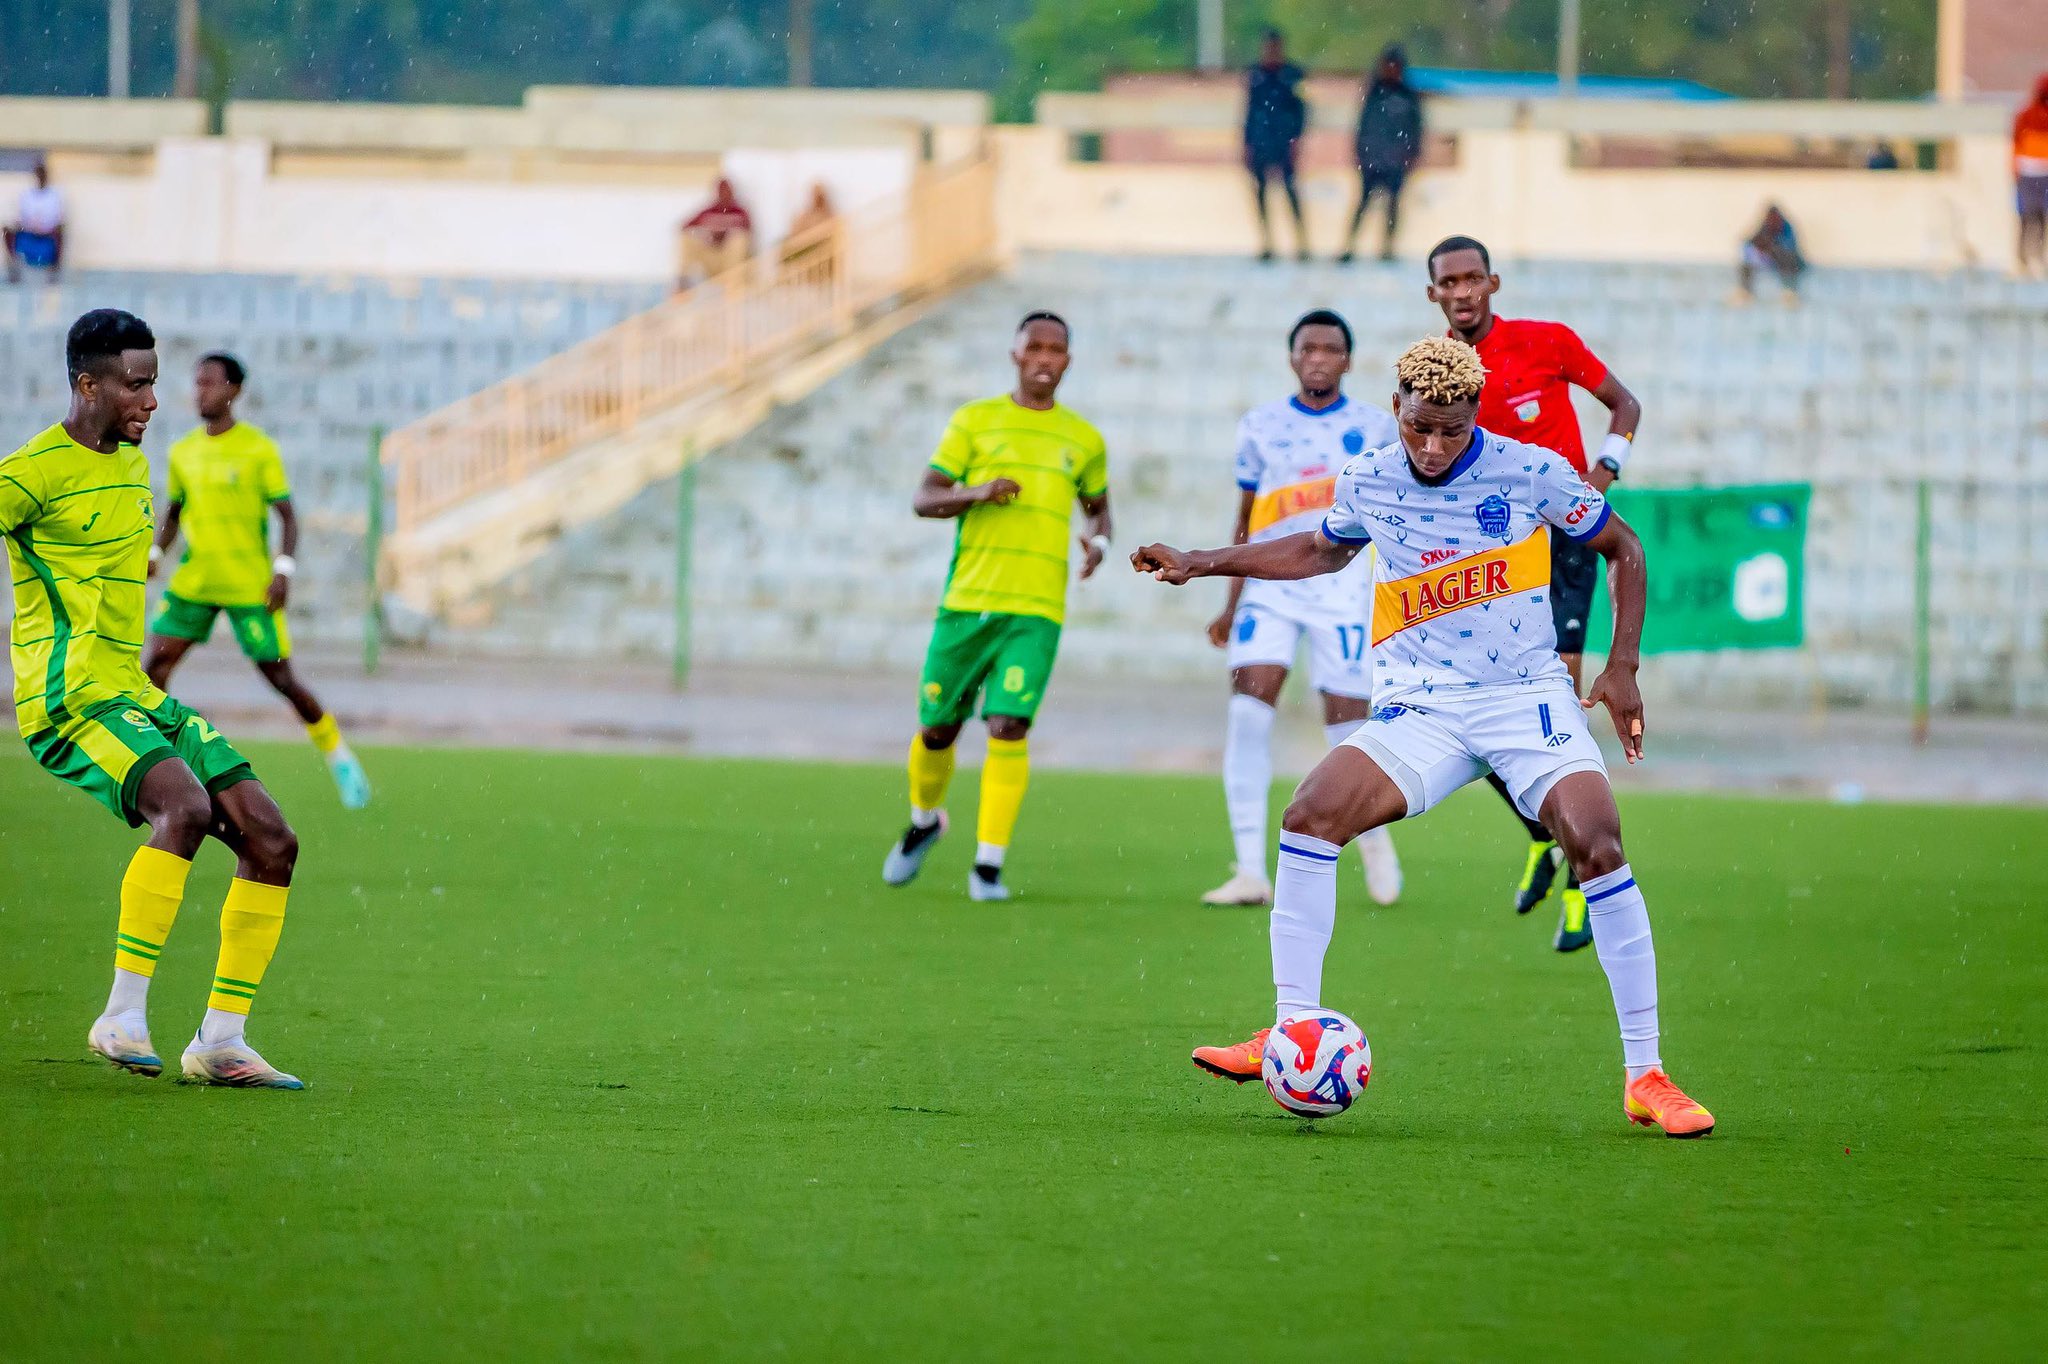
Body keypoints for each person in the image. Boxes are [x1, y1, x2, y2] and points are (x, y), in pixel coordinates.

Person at [1132, 336, 1714, 1139]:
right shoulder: (1369, 477)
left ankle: (1645, 1075)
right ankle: (1291, 1027)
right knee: (1310, 815)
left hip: (1523, 699)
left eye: (1450, 430)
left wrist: (1622, 665)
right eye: (1417, 428)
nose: (1433, 447)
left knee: (1598, 842)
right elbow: (1319, 549)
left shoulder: (1531, 469)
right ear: (1396, 410)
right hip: (1423, 706)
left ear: (1476, 413)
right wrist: (1200, 562)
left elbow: (1623, 547)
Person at [1, 309, 304, 1088]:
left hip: (132, 692)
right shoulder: (29, 474)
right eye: (136, 385)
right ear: (87, 385)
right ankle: (122, 1016)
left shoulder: (134, 465)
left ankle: (221, 1042)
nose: (153, 401)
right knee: (187, 809)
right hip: (68, 702)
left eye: (155, 383)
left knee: (272, 840)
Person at [1427, 234, 1642, 951]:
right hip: (1494, 558)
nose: (1461, 291)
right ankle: (1542, 836)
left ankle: (1581, 876)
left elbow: (1625, 404)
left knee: (1557, 712)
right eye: (1448, 282)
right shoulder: (1437, 373)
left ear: (1492, 283)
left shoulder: (1547, 342)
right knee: (1479, 716)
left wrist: (1603, 476)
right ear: (1433, 295)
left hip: (1566, 545)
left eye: (1471, 278)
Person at [881, 312, 1112, 901]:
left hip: (1036, 610)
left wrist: (1099, 544)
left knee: (1008, 725)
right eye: (1034, 347)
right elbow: (924, 498)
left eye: (1055, 349)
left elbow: (1099, 510)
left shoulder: (1084, 439)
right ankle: (925, 821)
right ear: (1015, 354)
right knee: (937, 729)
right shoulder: (974, 421)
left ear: (1068, 360)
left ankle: (988, 867)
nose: (1044, 358)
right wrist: (977, 492)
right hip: (967, 604)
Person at [1202, 309, 1401, 909]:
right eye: (1307, 348)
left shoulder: (1376, 427)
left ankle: (1373, 837)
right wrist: (1230, 601)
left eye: (1330, 349)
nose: (1317, 358)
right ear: (1291, 357)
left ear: (1348, 360)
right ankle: (1248, 870)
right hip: (1271, 587)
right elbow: (1245, 520)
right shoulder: (1260, 425)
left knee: (1347, 729)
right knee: (1247, 714)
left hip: (1343, 590)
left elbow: (1394, 518)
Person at [142, 353, 372, 809]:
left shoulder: (258, 449)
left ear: (234, 390)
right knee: (153, 672)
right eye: (196, 383)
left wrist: (283, 571)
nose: (200, 392)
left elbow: (288, 516)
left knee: (282, 678)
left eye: (209, 383)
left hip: (250, 587)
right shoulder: (184, 451)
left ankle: (341, 759)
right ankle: (160, 769)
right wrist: (155, 553)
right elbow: (175, 512)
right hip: (195, 583)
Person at [1338, 45, 1423, 264]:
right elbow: (1364, 125)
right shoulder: (1374, 93)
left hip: (1395, 159)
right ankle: (1349, 246)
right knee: (1363, 204)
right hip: (1373, 159)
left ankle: (1387, 248)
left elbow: (1415, 128)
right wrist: (1362, 153)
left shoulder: (1406, 96)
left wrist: (1410, 154)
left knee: (1393, 205)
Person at [1243, 29, 1309, 263]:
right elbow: (1249, 112)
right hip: (1262, 141)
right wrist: (1247, 143)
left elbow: (1301, 110)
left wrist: (1296, 138)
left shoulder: (1292, 76)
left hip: (1283, 142)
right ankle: (1267, 242)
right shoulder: (1256, 75)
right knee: (1261, 193)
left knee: (1290, 192)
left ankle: (1302, 243)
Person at [677, 178, 754, 288]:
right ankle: (682, 283)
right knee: (687, 237)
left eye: (727, 191)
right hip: (710, 255)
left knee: (739, 238)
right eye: (721, 191)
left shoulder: (739, 212)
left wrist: (726, 234)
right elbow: (684, 227)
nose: (724, 194)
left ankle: (734, 285)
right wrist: (705, 234)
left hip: (729, 259)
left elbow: (748, 233)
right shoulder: (708, 212)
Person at [4, 158, 64, 283]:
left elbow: (58, 218)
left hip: (48, 232)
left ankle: (54, 271)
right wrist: (29, 224)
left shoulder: (54, 195)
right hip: (29, 230)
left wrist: (44, 226)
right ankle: (14, 268)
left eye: (43, 173)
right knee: (6, 230)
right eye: (39, 172)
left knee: (61, 231)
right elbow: (21, 217)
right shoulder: (27, 195)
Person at [2014, 74, 2048, 280]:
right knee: (2028, 216)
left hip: (2041, 173)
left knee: (2040, 217)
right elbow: (2017, 143)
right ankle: (2024, 257)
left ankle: (2037, 256)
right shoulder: (2026, 116)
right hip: (2028, 172)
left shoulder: (2027, 115)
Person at [1736, 204, 1805, 302]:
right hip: (1767, 260)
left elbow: (1790, 246)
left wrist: (1772, 247)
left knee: (1788, 260)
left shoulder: (1786, 229)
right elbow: (1749, 242)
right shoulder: (1765, 227)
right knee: (1746, 266)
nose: (1772, 220)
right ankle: (1745, 291)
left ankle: (1790, 290)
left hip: (1786, 261)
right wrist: (1759, 247)